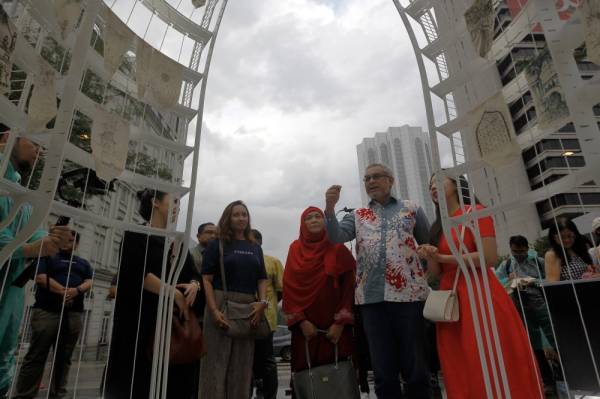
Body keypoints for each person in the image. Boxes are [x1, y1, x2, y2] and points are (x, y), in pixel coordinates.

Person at [417, 174, 543, 399]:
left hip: (478, 291)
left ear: (456, 185)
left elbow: (489, 257)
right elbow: (435, 273)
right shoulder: (438, 226)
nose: (432, 188)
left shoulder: (475, 212)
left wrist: (445, 258)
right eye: (429, 186)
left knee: (487, 353)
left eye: (438, 181)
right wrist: (430, 255)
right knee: (459, 359)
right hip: (450, 298)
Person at [325, 163, 431, 399]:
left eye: (376, 177)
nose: (371, 181)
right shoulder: (358, 215)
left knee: (415, 367)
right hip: (372, 300)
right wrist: (330, 208)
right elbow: (335, 237)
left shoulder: (412, 208)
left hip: (409, 297)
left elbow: (426, 246)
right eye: (367, 178)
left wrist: (414, 273)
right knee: (383, 370)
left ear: (390, 180)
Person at [104, 189, 201, 399]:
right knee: (136, 382)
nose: (178, 207)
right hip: (140, 321)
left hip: (172, 326)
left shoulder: (177, 241)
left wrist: (194, 284)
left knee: (172, 382)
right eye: (173, 201)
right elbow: (136, 273)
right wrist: (173, 293)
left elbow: (193, 273)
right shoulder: (136, 233)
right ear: (155, 202)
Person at [0, 131, 72, 397]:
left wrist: (52, 240)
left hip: (12, 292)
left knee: (5, 358)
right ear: (7, 138)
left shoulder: (21, 191)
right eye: (34, 143)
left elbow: (37, 232)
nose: (39, 150)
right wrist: (32, 248)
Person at [199, 200, 269, 399]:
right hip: (221, 303)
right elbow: (206, 280)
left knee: (242, 368)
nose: (241, 218)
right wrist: (213, 311)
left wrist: (262, 304)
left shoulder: (255, 247)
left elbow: (262, 279)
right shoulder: (217, 244)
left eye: (244, 214)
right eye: (236, 214)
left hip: (249, 308)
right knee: (214, 366)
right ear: (228, 218)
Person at [283, 207, 355, 394]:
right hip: (305, 330)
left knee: (339, 378)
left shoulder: (338, 249)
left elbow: (349, 289)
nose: (314, 220)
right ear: (302, 224)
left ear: (325, 222)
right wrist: (300, 321)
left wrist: (340, 324)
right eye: (309, 218)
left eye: (318, 216)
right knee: (306, 378)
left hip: (335, 328)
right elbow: (289, 287)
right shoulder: (295, 249)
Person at [13, 231, 92, 399]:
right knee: (36, 356)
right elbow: (40, 278)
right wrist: (64, 292)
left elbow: (89, 281)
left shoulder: (83, 263)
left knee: (64, 359)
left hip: (72, 315)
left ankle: (58, 395)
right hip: (47, 312)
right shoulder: (48, 257)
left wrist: (76, 290)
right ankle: (23, 396)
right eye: (65, 240)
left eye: (71, 241)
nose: (67, 243)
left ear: (77, 244)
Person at [495, 235, 559, 394]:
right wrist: (508, 280)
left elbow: (551, 279)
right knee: (535, 346)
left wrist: (533, 281)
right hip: (521, 309)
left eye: (521, 251)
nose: (518, 254)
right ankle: (548, 381)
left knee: (555, 339)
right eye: (515, 251)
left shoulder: (538, 261)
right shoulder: (507, 264)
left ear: (527, 248)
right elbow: (497, 283)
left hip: (543, 306)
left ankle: (565, 376)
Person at [251, 229, 282, 399]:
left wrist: (268, 306)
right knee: (247, 360)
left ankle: (268, 395)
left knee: (267, 360)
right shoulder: (242, 260)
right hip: (243, 317)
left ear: (260, 242)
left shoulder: (273, 262)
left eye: (253, 241)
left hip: (267, 319)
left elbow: (281, 290)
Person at [545, 217, 600, 281]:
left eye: (570, 236)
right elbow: (553, 284)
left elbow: (594, 271)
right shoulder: (553, 255)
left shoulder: (580, 250)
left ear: (575, 235)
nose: (567, 240)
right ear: (553, 237)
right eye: (562, 237)